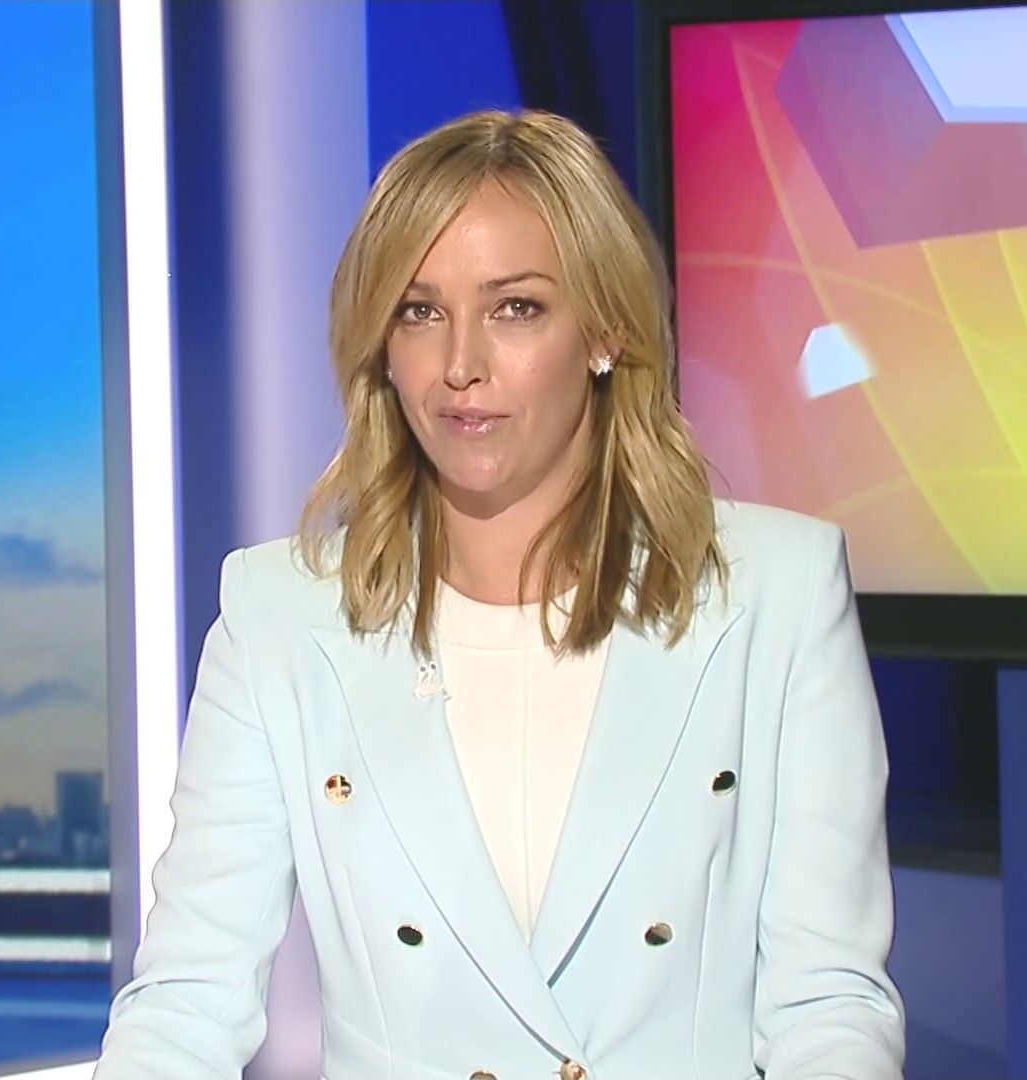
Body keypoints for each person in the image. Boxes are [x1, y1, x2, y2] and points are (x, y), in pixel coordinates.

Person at [95, 108, 904, 1080]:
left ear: (605, 330)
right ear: (381, 346)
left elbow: (827, 1005)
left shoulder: (776, 595)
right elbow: (186, 1003)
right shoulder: (279, 618)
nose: (460, 366)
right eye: (419, 311)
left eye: (515, 308)